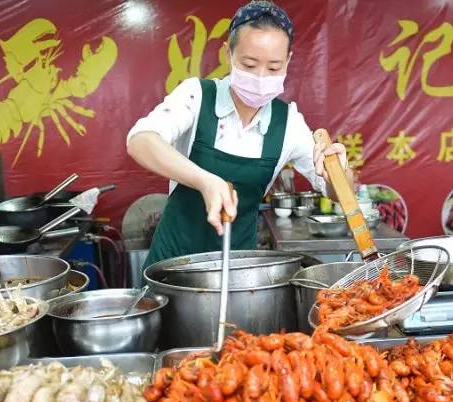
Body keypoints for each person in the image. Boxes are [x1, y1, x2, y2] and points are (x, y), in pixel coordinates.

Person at [127, 0, 350, 268]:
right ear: (228, 54)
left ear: (288, 61)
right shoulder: (198, 96)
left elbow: (339, 193)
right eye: (249, 64)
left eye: (273, 67)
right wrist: (205, 181)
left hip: (238, 269)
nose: (260, 76)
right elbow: (141, 140)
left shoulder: (287, 122)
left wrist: (338, 171)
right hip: (173, 264)